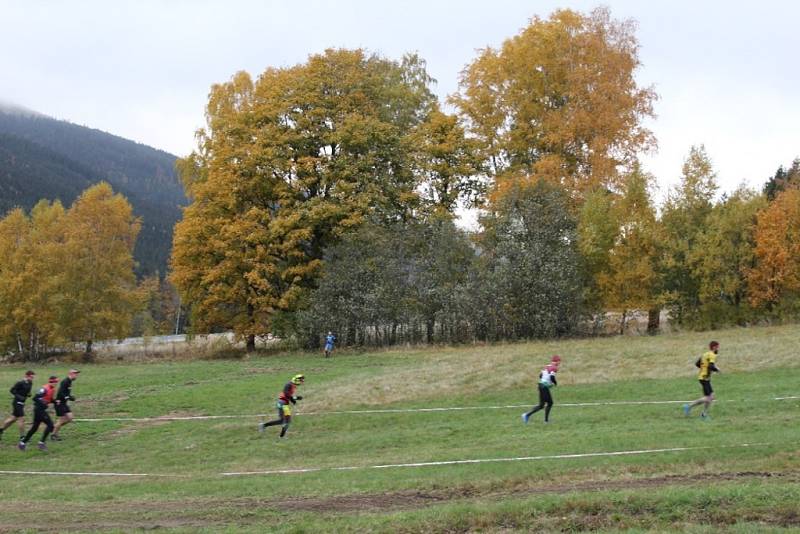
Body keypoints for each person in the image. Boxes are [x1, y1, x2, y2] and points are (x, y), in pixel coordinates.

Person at [684, 341, 721, 420]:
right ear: (714, 347)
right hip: (704, 378)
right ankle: (689, 406)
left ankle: (703, 414)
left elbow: (697, 363)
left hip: (703, 377)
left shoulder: (705, 354)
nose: (718, 348)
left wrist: (704, 369)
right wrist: (717, 370)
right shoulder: (712, 355)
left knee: (710, 397)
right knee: (709, 398)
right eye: (718, 347)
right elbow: (711, 366)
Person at [19, 375, 58, 451]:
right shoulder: (44, 389)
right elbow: (35, 398)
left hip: (41, 410)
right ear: (50, 381)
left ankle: (22, 443)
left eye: (56, 382)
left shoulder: (52, 389)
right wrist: (43, 403)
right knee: (51, 425)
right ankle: (41, 443)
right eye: (54, 382)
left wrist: (55, 401)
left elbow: (49, 399)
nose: (55, 383)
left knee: (34, 428)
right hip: (39, 410)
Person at [522, 355, 561, 424]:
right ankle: (545, 421)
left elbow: (540, 375)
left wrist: (544, 381)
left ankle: (527, 415)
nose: (559, 363)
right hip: (544, 387)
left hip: (541, 385)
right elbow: (552, 377)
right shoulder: (554, 368)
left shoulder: (547, 366)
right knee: (550, 403)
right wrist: (555, 383)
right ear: (556, 361)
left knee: (541, 405)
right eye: (559, 361)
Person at [0, 370, 35, 442]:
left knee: (12, 419)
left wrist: (29, 394)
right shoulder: (20, 383)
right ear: (26, 376)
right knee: (21, 419)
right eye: (31, 377)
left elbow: (28, 391)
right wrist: (19, 396)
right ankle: (22, 437)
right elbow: (12, 390)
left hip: (22, 403)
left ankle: (1, 430)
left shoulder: (30, 383)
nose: (32, 378)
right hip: (17, 402)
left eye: (33, 377)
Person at [52, 369, 80, 441]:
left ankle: (55, 427)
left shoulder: (69, 381)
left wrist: (70, 397)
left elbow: (65, 392)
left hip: (64, 403)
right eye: (75, 374)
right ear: (70, 374)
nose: (76, 375)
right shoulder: (65, 381)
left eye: (77, 374)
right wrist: (67, 397)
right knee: (62, 420)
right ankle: (54, 435)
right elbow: (60, 392)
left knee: (70, 418)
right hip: (59, 403)